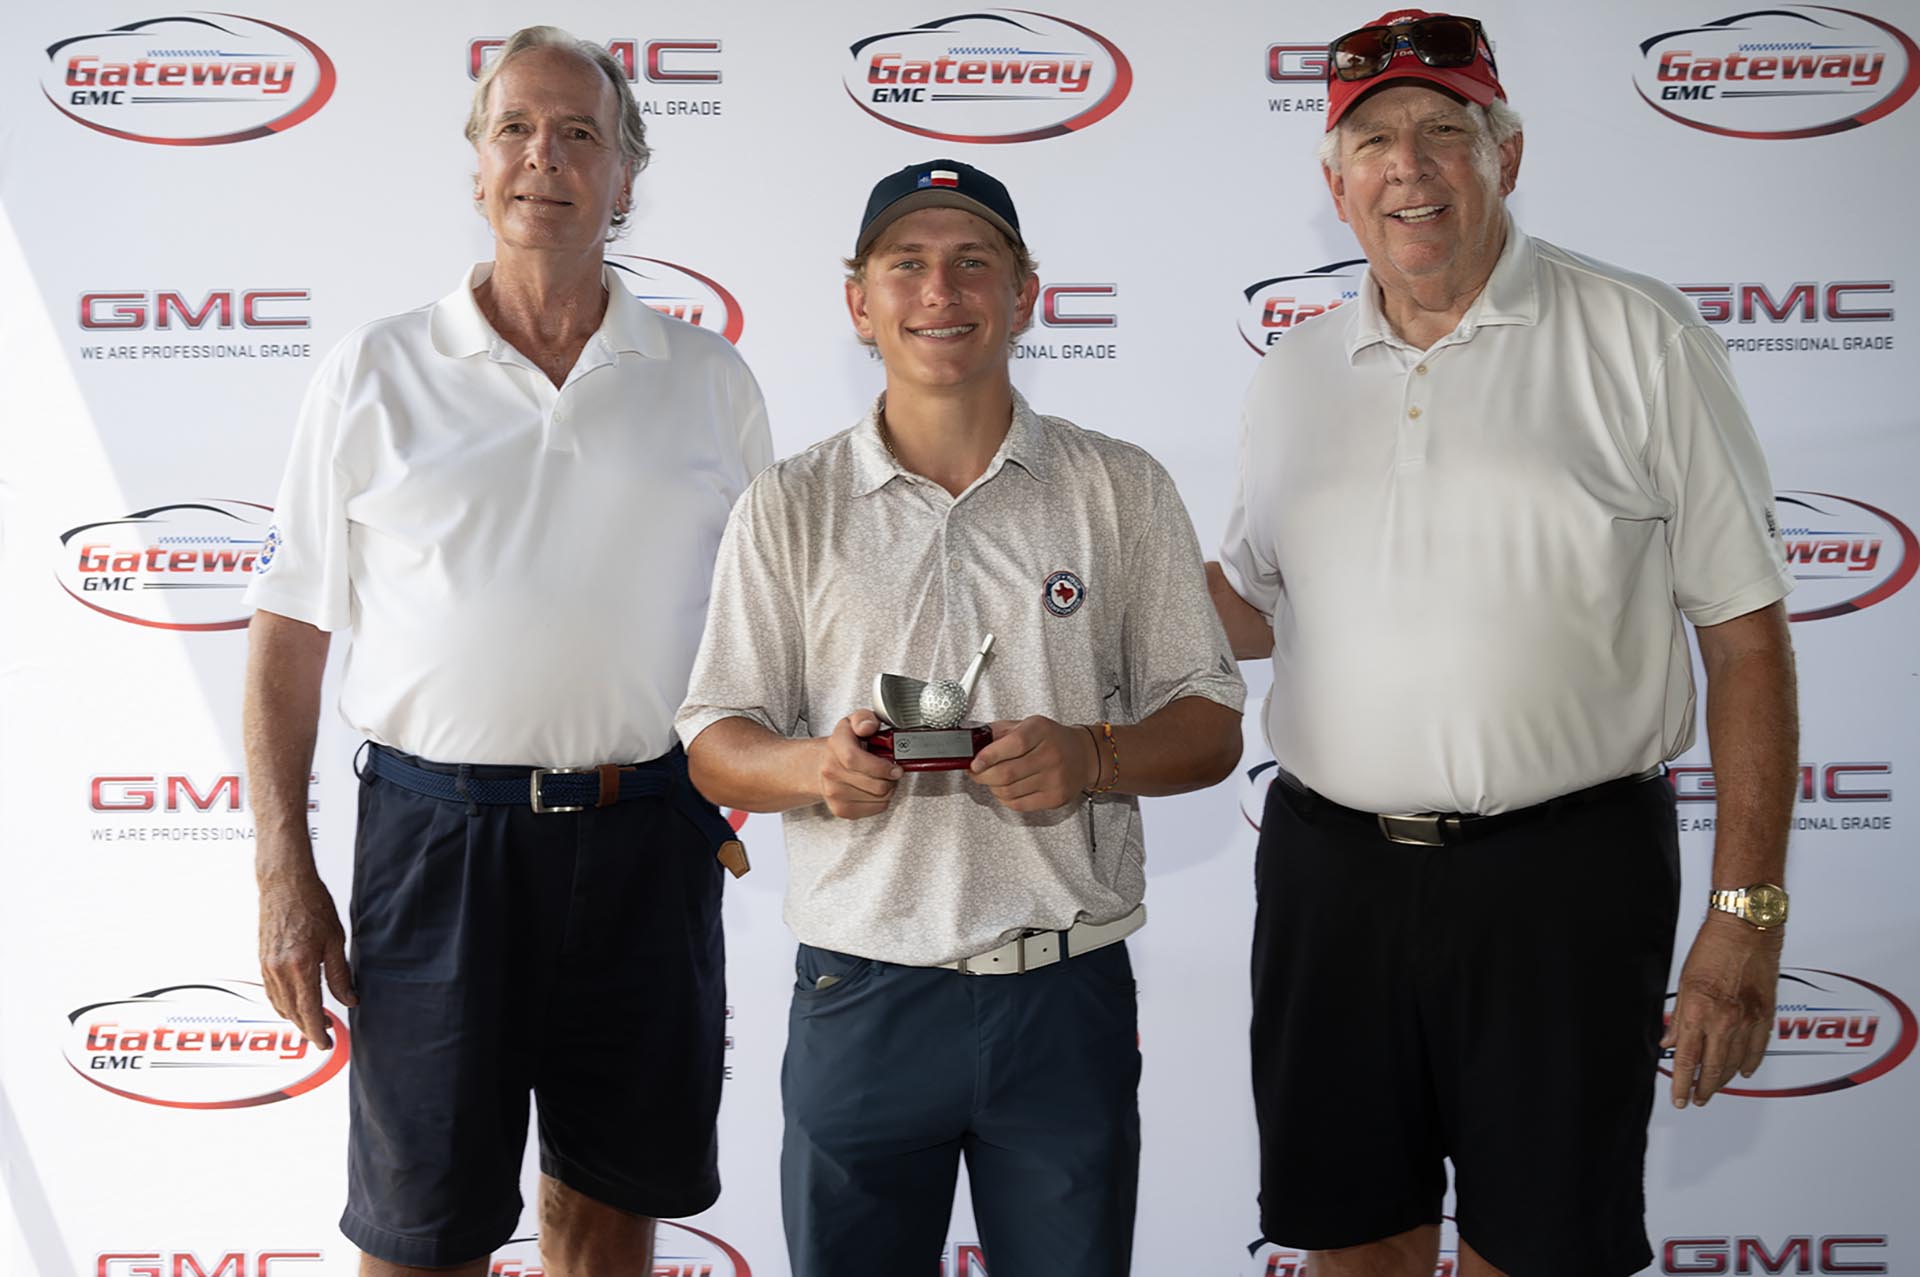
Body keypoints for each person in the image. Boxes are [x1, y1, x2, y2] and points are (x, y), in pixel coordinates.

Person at [1208, 11, 1798, 1277]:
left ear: (1506, 158)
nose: (1408, 169)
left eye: (1443, 131)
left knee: (1541, 1251)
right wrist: (1073, 597)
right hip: (1331, 879)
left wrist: (1746, 912)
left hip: (1564, 881)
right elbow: (1255, 602)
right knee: (1351, 1242)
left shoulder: (1638, 336)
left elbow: (1746, 639)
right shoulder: (1297, 369)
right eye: (1373, 142)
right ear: (1335, 183)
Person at [241, 26, 770, 1277]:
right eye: (516, 130)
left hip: (645, 836)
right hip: (436, 845)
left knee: (607, 1215)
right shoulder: (373, 371)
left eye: (581, 133)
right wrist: (281, 868)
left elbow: (769, 622)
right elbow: (289, 631)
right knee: (421, 1235)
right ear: (477, 165)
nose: (546, 157)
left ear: (626, 177)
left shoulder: (709, 379)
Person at [676, 158, 1244, 1276]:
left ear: (1025, 294)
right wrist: (816, 767)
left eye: (974, 261)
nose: (941, 290)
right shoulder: (790, 503)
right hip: (862, 992)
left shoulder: (1119, 486)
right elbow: (713, 742)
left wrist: (1092, 754)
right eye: (908, 264)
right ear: (860, 301)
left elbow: (1211, 723)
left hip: (1063, 995)